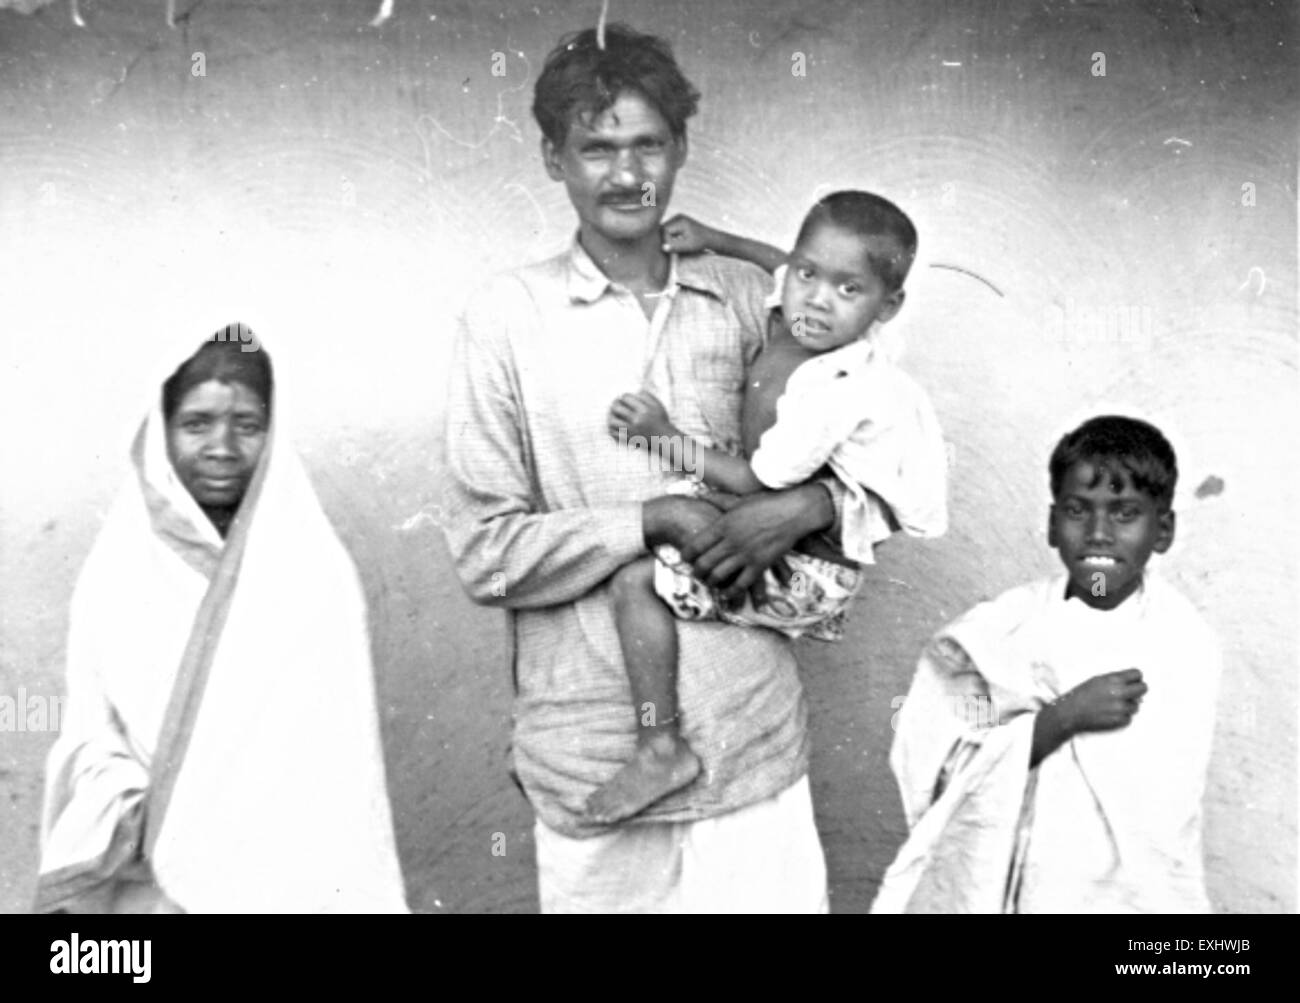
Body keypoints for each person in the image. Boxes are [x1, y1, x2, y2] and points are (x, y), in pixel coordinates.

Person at [444, 23, 848, 913]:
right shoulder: (508, 317)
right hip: (591, 751)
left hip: (751, 738)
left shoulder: (752, 301)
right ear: (554, 159)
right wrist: (649, 520)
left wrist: (805, 503)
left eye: (648, 145)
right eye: (597, 148)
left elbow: (871, 425)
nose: (627, 175)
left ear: (681, 149)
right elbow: (484, 549)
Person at [586, 193, 948, 825]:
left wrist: (661, 436)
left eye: (847, 288)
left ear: (886, 307)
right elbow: (780, 263)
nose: (814, 298)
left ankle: (659, 747)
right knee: (654, 522)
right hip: (785, 532)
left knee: (631, 584)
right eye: (810, 275)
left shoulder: (835, 386)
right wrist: (714, 235)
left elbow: (755, 482)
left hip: (806, 572)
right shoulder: (803, 307)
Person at [35, 326, 408, 913]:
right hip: (148, 875)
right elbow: (89, 732)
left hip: (285, 874)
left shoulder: (317, 573)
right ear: (161, 433)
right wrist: (135, 804)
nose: (222, 447)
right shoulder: (116, 573)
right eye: (196, 424)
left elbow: (337, 767)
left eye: (248, 425)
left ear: (274, 433)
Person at [873, 415, 1221, 913]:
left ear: (1162, 530)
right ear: (1053, 525)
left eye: (1124, 514)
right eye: (1079, 511)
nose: (1099, 533)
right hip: (1019, 888)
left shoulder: (1182, 644)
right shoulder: (999, 631)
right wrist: (1060, 720)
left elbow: (1162, 821)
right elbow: (935, 761)